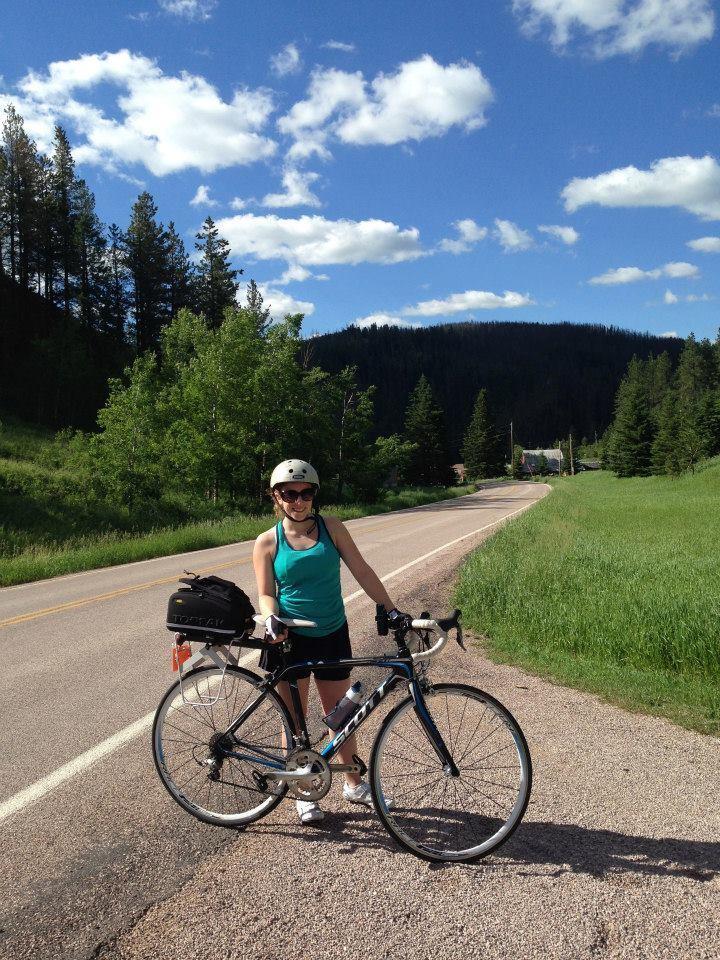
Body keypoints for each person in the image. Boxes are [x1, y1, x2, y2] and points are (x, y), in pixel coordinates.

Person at [252, 458, 406, 825]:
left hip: (332, 632)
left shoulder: (332, 528)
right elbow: (265, 593)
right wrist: (271, 617)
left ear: (314, 496)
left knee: (343, 717)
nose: (298, 501)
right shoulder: (267, 542)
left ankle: (353, 783)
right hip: (290, 639)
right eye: (289, 494)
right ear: (276, 497)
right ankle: (303, 791)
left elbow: (362, 569)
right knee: (295, 721)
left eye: (305, 493)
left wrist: (391, 608)